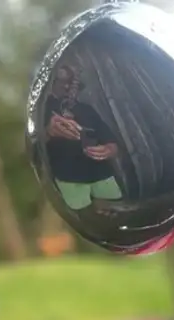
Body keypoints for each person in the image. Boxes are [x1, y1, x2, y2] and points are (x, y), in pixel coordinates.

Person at [44, 64, 123, 212]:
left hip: (102, 175)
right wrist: (48, 131)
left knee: (115, 213)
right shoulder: (41, 109)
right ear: (50, 83)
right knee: (80, 215)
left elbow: (111, 141)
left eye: (72, 83)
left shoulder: (87, 109)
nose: (67, 86)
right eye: (61, 81)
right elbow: (32, 145)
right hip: (68, 180)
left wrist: (109, 149)